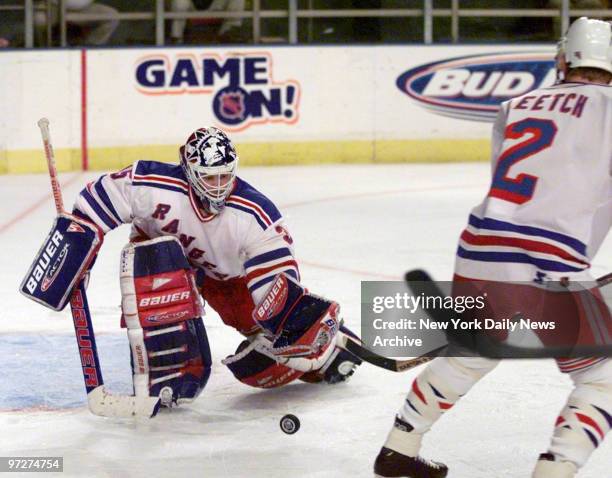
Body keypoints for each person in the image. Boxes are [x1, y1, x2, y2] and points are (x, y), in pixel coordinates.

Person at [373, 17, 612, 478]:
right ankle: (555, 471)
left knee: (474, 351)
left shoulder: (516, 105)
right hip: (549, 260)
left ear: (565, 59)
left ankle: (399, 447)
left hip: (482, 247)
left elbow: (516, 182)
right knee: (603, 378)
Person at [70, 126, 362, 406]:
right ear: (189, 171)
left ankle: (329, 353)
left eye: (225, 176)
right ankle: (166, 373)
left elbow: (275, 281)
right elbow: (96, 200)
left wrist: (291, 320)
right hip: (160, 260)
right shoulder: (151, 185)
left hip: (226, 278)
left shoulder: (254, 215)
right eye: (210, 178)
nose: (220, 186)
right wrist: (76, 247)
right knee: (155, 277)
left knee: (263, 334)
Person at [34, 0, 118, 46]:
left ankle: (91, 49)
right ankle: (45, 52)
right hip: (53, 6)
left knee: (111, 15)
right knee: (39, 18)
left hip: (83, 9)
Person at [168, 0, 245, 44]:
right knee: (179, 2)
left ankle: (226, 40)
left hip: (216, 7)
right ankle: (177, 41)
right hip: (190, 7)